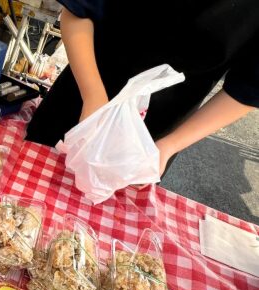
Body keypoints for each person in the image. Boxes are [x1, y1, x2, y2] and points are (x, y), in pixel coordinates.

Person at [25, 1, 258, 175]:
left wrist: (168, 147)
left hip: (150, 142)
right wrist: (93, 95)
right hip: (79, 102)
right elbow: (78, 11)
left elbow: (246, 90)